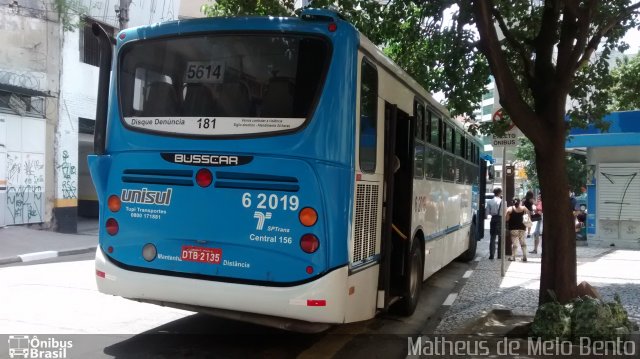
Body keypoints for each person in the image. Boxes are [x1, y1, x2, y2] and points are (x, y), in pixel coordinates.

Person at [506, 197, 530, 262]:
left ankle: (513, 257)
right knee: (523, 243)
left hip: (513, 229)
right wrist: (529, 230)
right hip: (522, 228)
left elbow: (507, 219)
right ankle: (525, 256)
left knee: (515, 244)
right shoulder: (524, 208)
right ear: (519, 202)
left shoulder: (510, 209)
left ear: (512, 202)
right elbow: (528, 218)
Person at [486, 188, 503, 260]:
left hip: (493, 219)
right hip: (500, 220)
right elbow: (504, 212)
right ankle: (499, 255)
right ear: (500, 193)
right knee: (500, 237)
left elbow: (487, 213)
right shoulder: (503, 201)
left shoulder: (490, 201)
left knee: (492, 237)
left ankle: (491, 255)